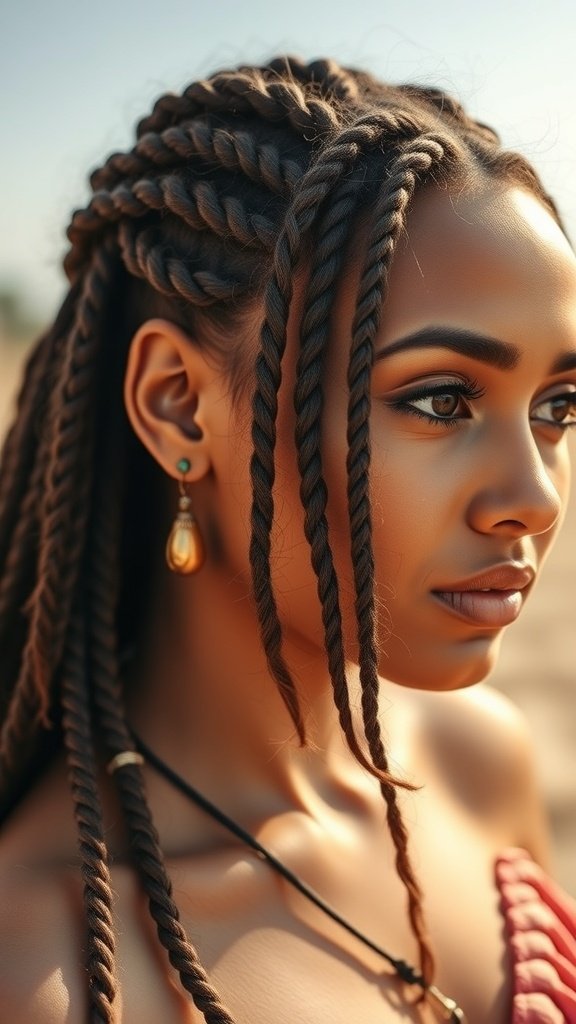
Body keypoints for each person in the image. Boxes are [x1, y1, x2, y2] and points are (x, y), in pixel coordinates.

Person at [0, 55, 575, 1024]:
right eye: (441, 399)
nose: (535, 496)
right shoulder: (49, 966)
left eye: (559, 406)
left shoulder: (485, 763)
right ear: (178, 405)